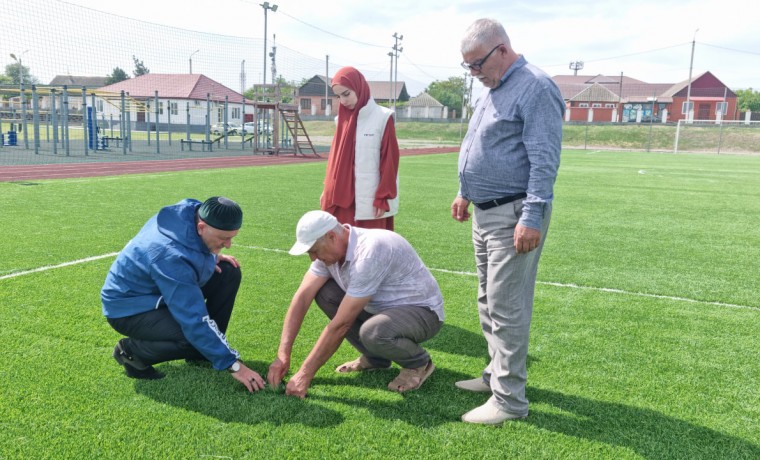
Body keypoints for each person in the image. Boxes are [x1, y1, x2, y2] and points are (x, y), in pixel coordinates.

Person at [450, 18, 564, 424]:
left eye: (477, 64)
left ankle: (510, 401)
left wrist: (531, 216)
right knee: (487, 300)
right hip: (486, 210)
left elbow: (544, 160)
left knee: (507, 306)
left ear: (501, 50)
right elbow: (484, 143)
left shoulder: (535, 86)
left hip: (514, 213)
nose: (473, 74)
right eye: (468, 66)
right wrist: (466, 191)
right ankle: (494, 374)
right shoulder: (493, 87)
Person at [267, 210, 444, 398]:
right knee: (325, 293)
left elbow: (341, 324)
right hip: (382, 311)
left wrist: (305, 374)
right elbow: (302, 298)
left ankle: (418, 363)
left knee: (374, 332)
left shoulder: (369, 252)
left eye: (314, 251)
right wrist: (283, 354)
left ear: (332, 236)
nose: (313, 258)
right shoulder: (330, 252)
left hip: (424, 313)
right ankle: (376, 358)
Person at [101, 196, 266, 393]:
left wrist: (212, 255)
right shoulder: (169, 255)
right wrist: (234, 365)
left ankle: (203, 352)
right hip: (129, 308)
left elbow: (191, 248)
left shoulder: (192, 211)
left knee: (228, 272)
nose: (229, 244)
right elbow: (193, 319)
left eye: (231, 238)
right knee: (193, 336)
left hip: (157, 289)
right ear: (202, 227)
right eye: (223, 239)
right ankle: (132, 352)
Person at [321, 66, 400, 231]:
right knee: (343, 253)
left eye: (346, 94)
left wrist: (383, 197)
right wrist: (327, 192)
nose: (343, 101)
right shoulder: (340, 121)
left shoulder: (383, 118)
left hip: (371, 204)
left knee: (372, 252)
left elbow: (390, 162)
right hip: (342, 202)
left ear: (359, 87)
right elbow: (334, 162)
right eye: (338, 96)